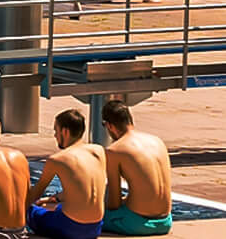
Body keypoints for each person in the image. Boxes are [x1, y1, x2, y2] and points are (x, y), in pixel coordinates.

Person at [26, 108, 108, 239]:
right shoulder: (99, 151)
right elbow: (84, 189)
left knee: (30, 211)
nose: (55, 135)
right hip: (95, 227)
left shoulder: (58, 159)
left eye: (55, 131)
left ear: (65, 131)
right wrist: (52, 199)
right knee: (50, 205)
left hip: (70, 228)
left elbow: (35, 194)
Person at [101, 100, 173, 236]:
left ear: (109, 126)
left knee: (87, 217)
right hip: (165, 221)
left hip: (137, 223)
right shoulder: (157, 141)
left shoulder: (114, 150)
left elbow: (114, 203)